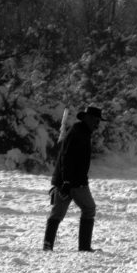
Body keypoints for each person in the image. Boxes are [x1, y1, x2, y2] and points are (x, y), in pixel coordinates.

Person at [43, 106, 102, 251]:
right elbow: (66, 157)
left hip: (67, 181)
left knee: (57, 213)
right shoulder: (78, 133)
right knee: (89, 209)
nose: (97, 124)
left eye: (98, 121)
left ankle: (47, 246)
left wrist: (64, 181)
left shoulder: (81, 131)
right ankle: (84, 247)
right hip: (73, 182)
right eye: (96, 120)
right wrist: (67, 181)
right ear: (87, 119)